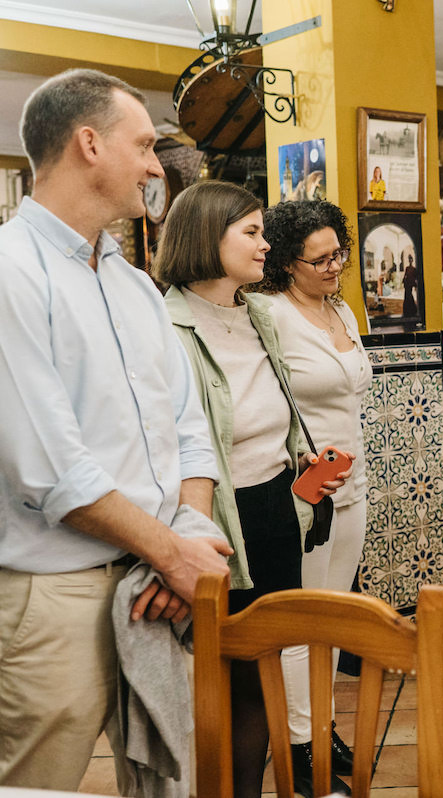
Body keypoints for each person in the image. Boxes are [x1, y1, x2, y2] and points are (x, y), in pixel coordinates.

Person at [0, 69, 232, 790]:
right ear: (89, 143)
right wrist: (174, 553)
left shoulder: (135, 285)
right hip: (57, 598)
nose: (158, 166)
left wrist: (184, 540)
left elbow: (190, 430)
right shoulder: (11, 272)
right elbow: (52, 471)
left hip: (154, 581)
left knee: (169, 781)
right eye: (144, 145)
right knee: (38, 786)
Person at [153, 181, 351, 798]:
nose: (267, 245)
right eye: (252, 232)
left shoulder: (261, 314)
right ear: (207, 237)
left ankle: (255, 786)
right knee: (223, 677)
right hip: (211, 519)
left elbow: (274, 413)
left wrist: (303, 461)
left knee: (264, 667)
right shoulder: (166, 325)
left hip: (273, 508)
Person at [259, 200, 371, 780]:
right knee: (303, 619)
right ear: (285, 263)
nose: (334, 267)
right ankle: (299, 745)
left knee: (332, 617)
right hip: (306, 491)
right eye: (320, 259)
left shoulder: (344, 312)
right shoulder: (269, 314)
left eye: (339, 255)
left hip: (353, 487)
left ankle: (321, 725)